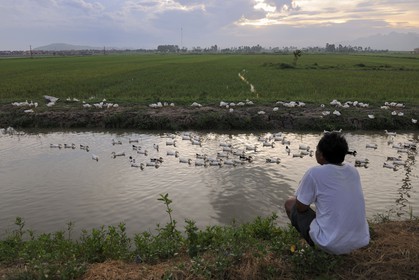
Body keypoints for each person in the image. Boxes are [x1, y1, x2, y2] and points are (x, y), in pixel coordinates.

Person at [284, 132, 370, 255]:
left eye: (317, 150)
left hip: (331, 244)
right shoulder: (353, 170)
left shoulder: (314, 173)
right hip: (361, 241)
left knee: (290, 203)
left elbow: (300, 208)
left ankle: (316, 247)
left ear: (321, 156)